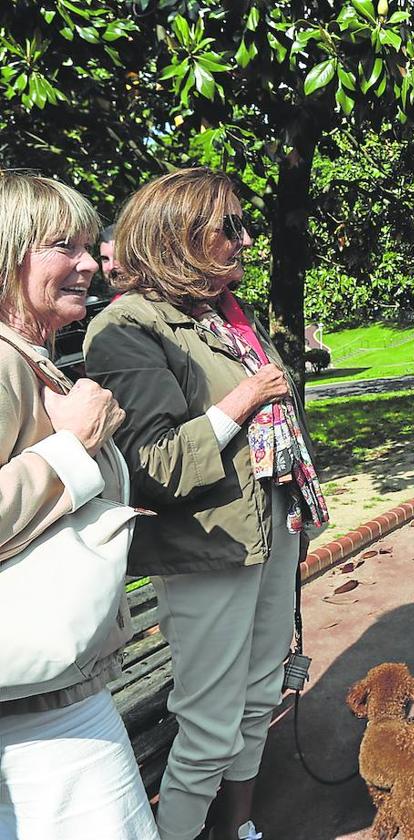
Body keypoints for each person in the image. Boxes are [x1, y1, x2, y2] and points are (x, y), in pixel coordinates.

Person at [84, 167, 328, 840]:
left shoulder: (226, 318)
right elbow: (152, 464)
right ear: (180, 238)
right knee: (210, 726)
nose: (247, 239)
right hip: (209, 552)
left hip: (271, 531)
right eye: (231, 227)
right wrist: (244, 400)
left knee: (255, 702)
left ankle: (238, 829)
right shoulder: (127, 329)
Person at [0, 172, 156, 838]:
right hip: (40, 716)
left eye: (89, 246)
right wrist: (72, 449)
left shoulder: (29, 358)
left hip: (47, 698)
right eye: (65, 245)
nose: (91, 263)